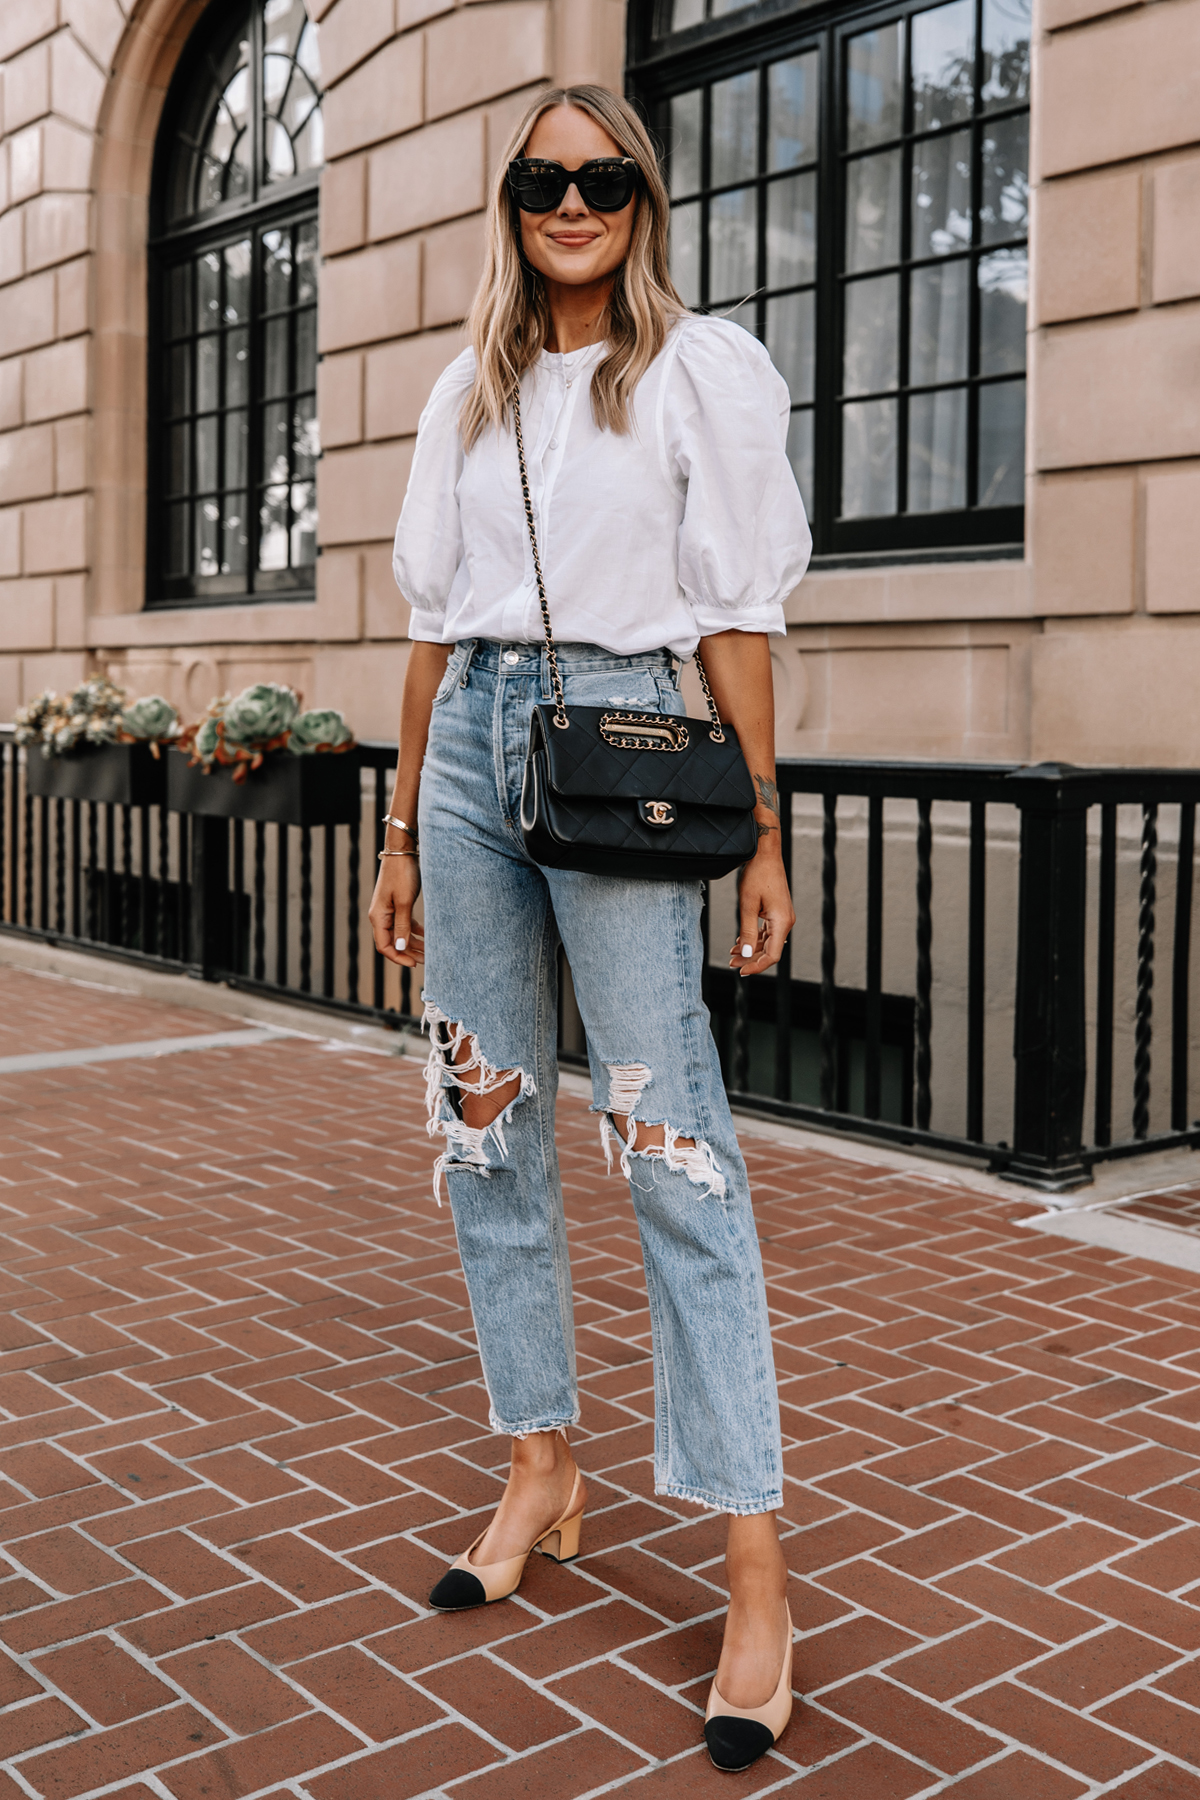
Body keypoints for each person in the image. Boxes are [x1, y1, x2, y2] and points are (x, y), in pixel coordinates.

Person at [369, 83, 811, 1773]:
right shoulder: (461, 391)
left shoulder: (700, 371)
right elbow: (427, 626)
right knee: (485, 1130)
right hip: (476, 751)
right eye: (544, 179)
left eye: (601, 177)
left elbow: (739, 614)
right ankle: (541, 1463)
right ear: (512, 200)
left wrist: (763, 829)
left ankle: (753, 1566)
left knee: (672, 1142)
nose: (572, 201)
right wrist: (404, 830)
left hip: (632, 744)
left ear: (642, 196)